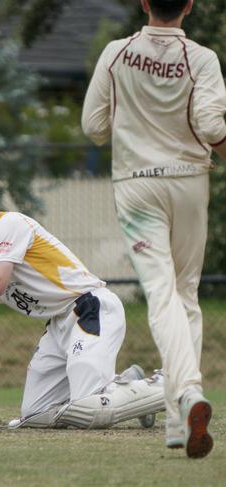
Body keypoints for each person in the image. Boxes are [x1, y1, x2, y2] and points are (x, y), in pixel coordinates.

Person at [0, 170, 164, 432]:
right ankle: (128, 386)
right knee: (34, 414)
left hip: (89, 308)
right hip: (58, 324)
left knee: (89, 407)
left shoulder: (9, 224)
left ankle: (161, 387)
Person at [81, 0, 226, 458]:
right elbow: (209, 124)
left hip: (138, 187)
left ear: (145, 3)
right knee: (185, 295)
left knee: (163, 294)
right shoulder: (202, 58)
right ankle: (178, 423)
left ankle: (185, 396)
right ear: (189, 5)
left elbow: (93, 127)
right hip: (188, 183)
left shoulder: (116, 53)